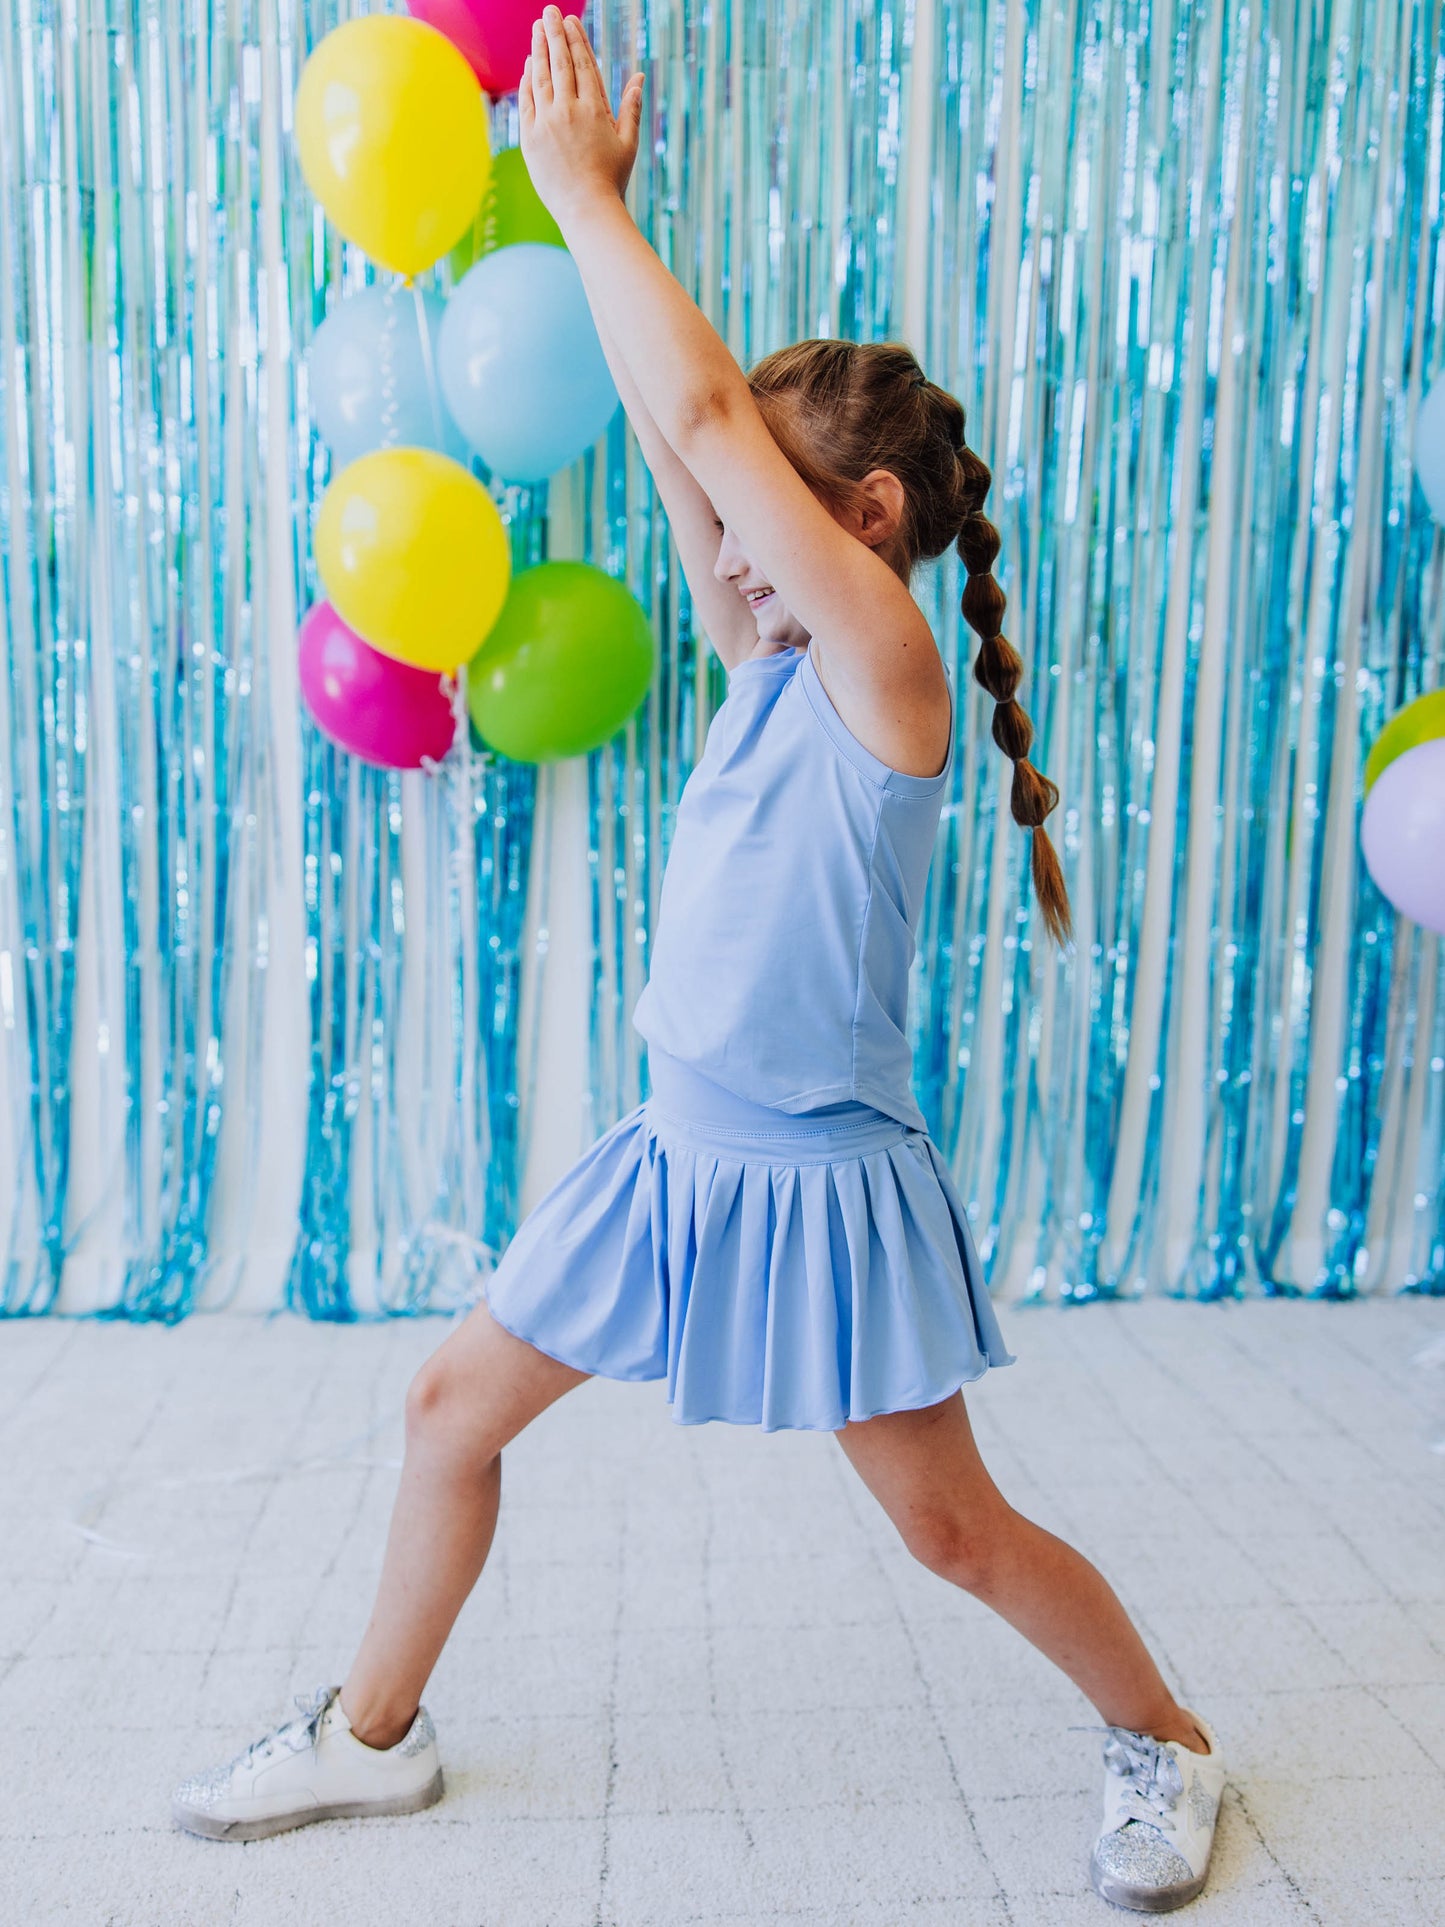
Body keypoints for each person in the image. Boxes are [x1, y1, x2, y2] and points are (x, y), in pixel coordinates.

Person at [171, 10, 1225, 1912]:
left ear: (868, 530)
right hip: (667, 1158)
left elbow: (720, 436)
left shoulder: (884, 676)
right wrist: (596, 224)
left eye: (764, 535)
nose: (722, 556)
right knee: (445, 1412)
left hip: (818, 1182)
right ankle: (368, 1737)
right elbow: (693, 435)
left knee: (952, 1536)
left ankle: (1164, 1739)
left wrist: (574, 199)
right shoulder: (762, 662)